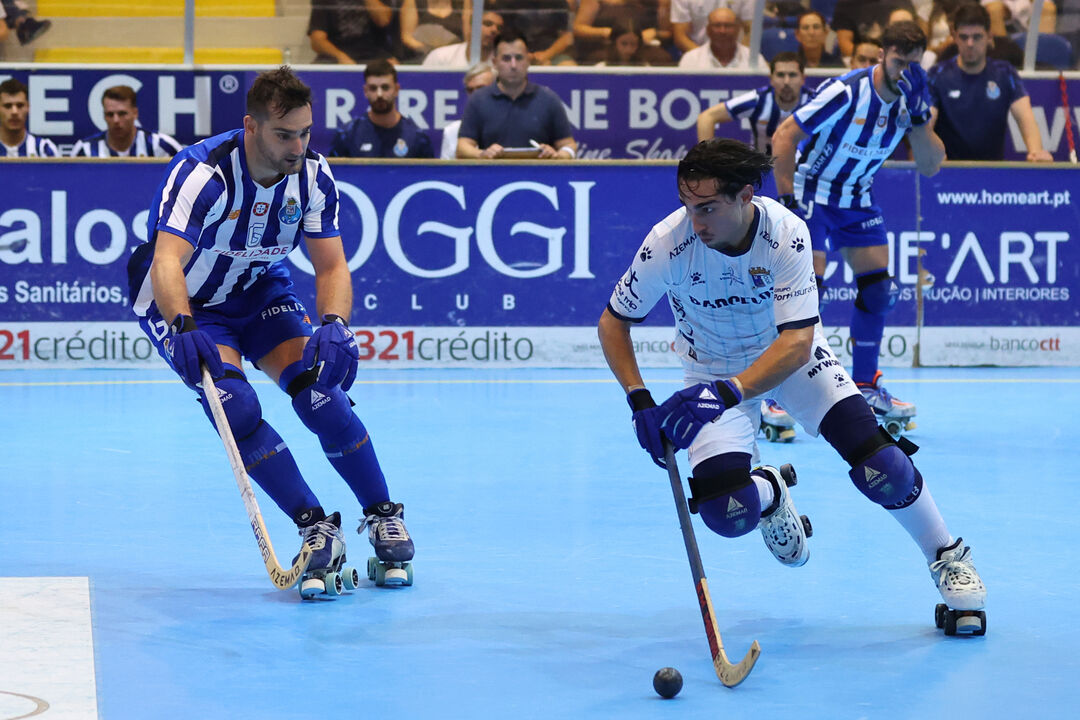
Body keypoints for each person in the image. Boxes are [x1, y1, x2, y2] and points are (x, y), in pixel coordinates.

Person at [598, 137, 987, 635]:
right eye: (689, 207)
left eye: (709, 207)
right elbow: (613, 322)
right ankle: (771, 492)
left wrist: (726, 393)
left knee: (880, 464)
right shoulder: (667, 244)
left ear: (746, 195)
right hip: (710, 369)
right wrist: (639, 400)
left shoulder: (787, 234)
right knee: (726, 514)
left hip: (788, 360)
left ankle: (947, 554)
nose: (697, 222)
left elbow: (797, 344)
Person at [126, 66, 415, 598]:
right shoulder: (202, 173)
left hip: (260, 289)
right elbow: (166, 260)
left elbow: (331, 266)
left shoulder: (312, 174)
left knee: (321, 393)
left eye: (306, 132)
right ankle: (314, 526)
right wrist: (183, 325)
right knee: (234, 408)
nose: (298, 146)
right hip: (189, 302)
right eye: (285, 134)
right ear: (251, 127)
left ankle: (382, 516)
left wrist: (336, 325)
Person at [770, 21, 947, 435]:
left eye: (914, 63)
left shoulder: (914, 97)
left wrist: (921, 118)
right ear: (883, 54)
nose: (905, 71)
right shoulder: (846, 91)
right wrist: (788, 201)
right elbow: (784, 136)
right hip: (810, 191)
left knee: (879, 291)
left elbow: (930, 164)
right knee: (808, 294)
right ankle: (777, 391)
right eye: (899, 61)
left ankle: (865, 384)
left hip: (856, 198)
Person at [928, 3, 1052, 161]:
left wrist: (1036, 152)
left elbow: (1026, 117)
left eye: (977, 37)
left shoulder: (1006, 73)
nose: (970, 44)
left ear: (989, 36)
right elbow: (926, 123)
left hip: (993, 174)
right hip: (948, 171)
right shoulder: (936, 74)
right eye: (964, 37)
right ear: (954, 37)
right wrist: (929, 152)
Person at [456, 28, 577, 159]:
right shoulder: (478, 100)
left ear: (528, 61)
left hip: (538, 177)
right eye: (506, 59)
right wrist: (482, 154)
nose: (513, 65)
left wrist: (557, 155)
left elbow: (569, 145)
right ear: (495, 63)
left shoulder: (548, 99)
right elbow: (462, 147)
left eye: (519, 58)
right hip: (492, 176)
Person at [696, 51, 812, 153]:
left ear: (803, 78)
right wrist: (707, 160)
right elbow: (706, 118)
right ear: (771, 79)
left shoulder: (815, 102)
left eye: (792, 75)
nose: (786, 81)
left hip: (804, 173)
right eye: (780, 75)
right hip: (764, 171)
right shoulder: (758, 100)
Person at [330, 59, 434, 158]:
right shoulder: (347, 134)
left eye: (385, 87)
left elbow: (428, 176)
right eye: (373, 88)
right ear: (366, 91)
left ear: (397, 89)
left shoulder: (417, 137)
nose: (379, 94)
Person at [70, 85, 183, 158]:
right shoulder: (85, 150)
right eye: (110, 114)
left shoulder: (162, 146)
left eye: (122, 114)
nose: (116, 120)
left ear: (135, 113)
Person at [308, 0, 396, 64]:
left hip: (373, 52)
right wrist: (340, 57)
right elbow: (317, 41)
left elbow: (383, 21)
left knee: (392, 68)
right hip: (336, 53)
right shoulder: (324, 1)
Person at [678, 7, 767, 69]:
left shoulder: (756, 61)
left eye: (728, 26)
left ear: (738, 30)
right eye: (717, 25)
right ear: (708, 30)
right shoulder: (690, 60)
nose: (722, 31)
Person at [439, 61, 495, 159]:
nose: (475, 95)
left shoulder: (507, 126)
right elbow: (445, 173)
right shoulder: (452, 131)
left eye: (481, 89)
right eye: (470, 90)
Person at [494, 0, 576, 66]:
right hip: (514, 52)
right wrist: (524, 55)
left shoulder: (558, 2)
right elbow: (503, 35)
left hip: (551, 53)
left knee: (569, 67)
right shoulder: (507, 2)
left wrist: (545, 55)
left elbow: (566, 37)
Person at [832, 0, 918, 58]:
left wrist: (891, 60)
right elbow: (845, 44)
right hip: (861, 62)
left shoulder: (901, 2)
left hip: (897, 58)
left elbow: (914, 37)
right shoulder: (847, 4)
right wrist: (869, 59)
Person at [422, 9, 503, 68]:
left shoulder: (503, 64)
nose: (494, 30)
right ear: (471, 27)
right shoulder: (440, 57)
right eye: (488, 24)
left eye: (499, 28)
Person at [0, 78, 59, 157]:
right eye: (7, 106)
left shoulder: (44, 149)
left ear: (28, 107)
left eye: (20, 105)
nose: (14, 112)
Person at [671, 0, 754, 54]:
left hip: (737, 57)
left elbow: (751, 32)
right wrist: (704, 58)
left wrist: (737, 58)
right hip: (696, 55)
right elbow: (681, 37)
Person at [400, 0, 466, 60]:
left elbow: (469, 35)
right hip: (421, 57)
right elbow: (408, 38)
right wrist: (431, 51)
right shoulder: (413, 2)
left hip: (455, 56)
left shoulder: (461, 3)